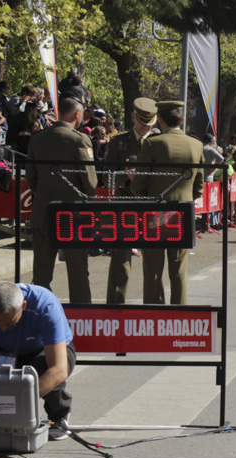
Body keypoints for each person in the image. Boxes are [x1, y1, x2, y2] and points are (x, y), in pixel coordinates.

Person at [25, 93, 97, 303]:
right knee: (78, 273)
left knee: (41, 273)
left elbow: (31, 179)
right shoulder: (79, 139)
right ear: (77, 113)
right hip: (73, 215)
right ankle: (82, 319)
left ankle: (40, 314)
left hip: (43, 210)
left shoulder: (37, 139)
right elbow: (90, 184)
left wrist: (46, 194)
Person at [131, 100, 203, 305]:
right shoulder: (196, 145)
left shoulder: (152, 143)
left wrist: (146, 198)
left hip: (155, 212)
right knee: (179, 268)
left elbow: (138, 184)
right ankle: (179, 313)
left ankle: (154, 311)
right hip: (183, 212)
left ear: (159, 119)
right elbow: (199, 187)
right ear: (182, 120)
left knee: (153, 268)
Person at [0, 281, 76, 440]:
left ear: (23, 306)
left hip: (42, 350)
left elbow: (59, 369)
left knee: (43, 368)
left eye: (9, 323)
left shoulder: (45, 305)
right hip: (2, 350)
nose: (4, 329)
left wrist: (22, 401)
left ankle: (59, 415)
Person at [103, 97, 157, 304]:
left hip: (151, 205)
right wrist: (126, 176)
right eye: (142, 123)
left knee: (153, 258)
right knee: (121, 257)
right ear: (134, 118)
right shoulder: (119, 142)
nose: (145, 128)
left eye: (149, 124)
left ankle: (153, 306)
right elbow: (106, 176)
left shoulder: (159, 142)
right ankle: (115, 305)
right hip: (125, 203)